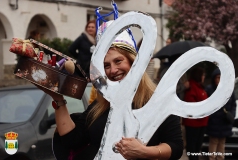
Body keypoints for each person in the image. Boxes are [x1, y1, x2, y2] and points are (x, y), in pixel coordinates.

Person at [35, 19, 183, 160]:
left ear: (134, 62)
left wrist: (144, 151)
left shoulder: (158, 102)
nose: (113, 70)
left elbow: (175, 146)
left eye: (118, 61)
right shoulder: (101, 105)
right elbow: (72, 140)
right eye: (106, 65)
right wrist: (58, 98)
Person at [205, 68, 236, 160]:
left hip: (225, 121)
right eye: (218, 77)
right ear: (214, 78)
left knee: (222, 143)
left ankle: (220, 158)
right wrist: (212, 117)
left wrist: (231, 115)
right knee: (213, 142)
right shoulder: (210, 90)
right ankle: (212, 158)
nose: (219, 80)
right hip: (214, 122)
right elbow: (207, 105)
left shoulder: (229, 90)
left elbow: (233, 104)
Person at [182, 67, 209, 160]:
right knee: (192, 147)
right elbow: (192, 106)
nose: (204, 77)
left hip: (202, 123)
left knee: (197, 147)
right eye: (203, 75)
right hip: (193, 123)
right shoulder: (191, 88)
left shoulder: (200, 87)